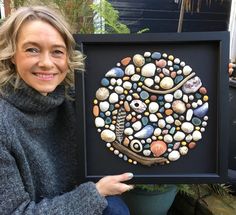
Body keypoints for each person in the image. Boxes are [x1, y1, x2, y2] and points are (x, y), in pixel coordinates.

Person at [0, 5, 134, 215]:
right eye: (32, 49)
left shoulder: (75, 99)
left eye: (57, 51)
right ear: (12, 55)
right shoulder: (3, 123)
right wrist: (95, 194)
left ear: (68, 57)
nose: (46, 63)